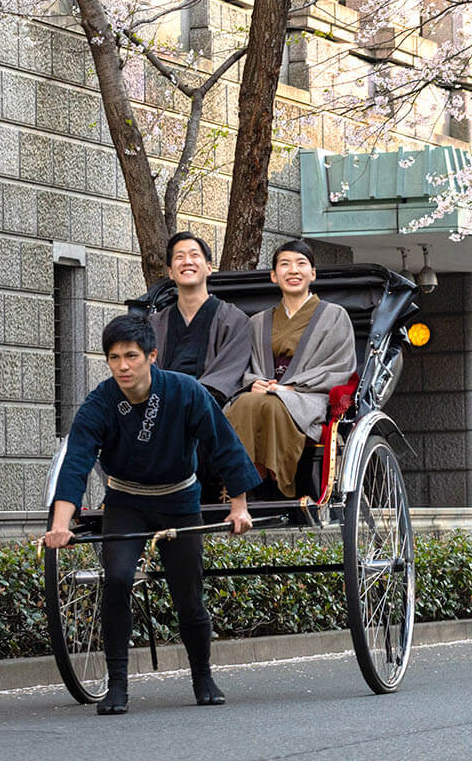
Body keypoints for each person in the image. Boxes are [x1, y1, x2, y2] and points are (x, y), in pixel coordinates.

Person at [43, 315, 261, 716]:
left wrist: (239, 505)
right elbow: (76, 461)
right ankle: (118, 685)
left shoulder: (184, 391)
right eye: (114, 358)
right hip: (126, 501)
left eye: (131, 356)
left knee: (188, 595)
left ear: (151, 356)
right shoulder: (100, 402)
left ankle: (203, 676)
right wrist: (60, 524)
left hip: (179, 501)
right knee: (118, 579)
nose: (123, 366)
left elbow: (223, 444)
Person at [225, 239, 357, 498]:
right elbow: (246, 364)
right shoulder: (257, 321)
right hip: (265, 390)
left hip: (309, 396)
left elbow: (339, 365)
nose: (293, 270)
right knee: (242, 404)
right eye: (285, 265)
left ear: (313, 273)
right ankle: (243, 477)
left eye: (301, 264)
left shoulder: (335, 315)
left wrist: (290, 387)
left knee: (274, 404)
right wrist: (255, 381)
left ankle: (270, 478)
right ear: (274, 275)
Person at [146, 232, 252, 406]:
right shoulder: (154, 324)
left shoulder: (234, 320)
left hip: (211, 408)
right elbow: (146, 370)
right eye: (179, 257)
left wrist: (191, 398)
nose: (187, 261)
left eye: (195, 255)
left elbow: (229, 372)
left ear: (209, 268)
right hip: (162, 406)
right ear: (171, 272)